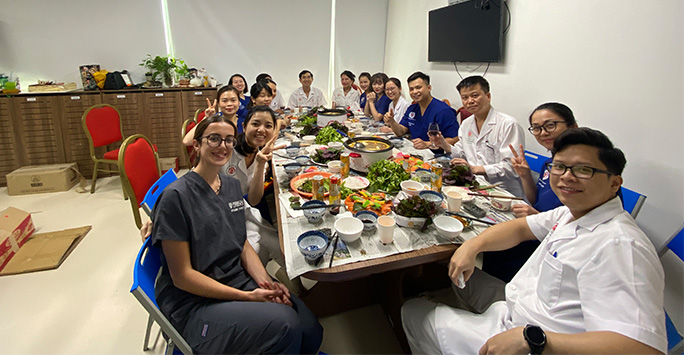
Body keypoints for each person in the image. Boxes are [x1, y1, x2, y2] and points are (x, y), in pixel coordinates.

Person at [402, 127, 666, 354]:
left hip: (536, 342)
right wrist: (473, 245)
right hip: (517, 307)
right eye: (560, 166)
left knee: (413, 311)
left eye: (584, 170)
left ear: (614, 183)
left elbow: (643, 348)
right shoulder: (571, 212)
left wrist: (534, 340)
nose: (567, 176)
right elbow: (518, 229)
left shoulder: (621, 245)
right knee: (456, 272)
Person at [151, 114, 323, 354]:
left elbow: (241, 243)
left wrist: (266, 284)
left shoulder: (230, 187)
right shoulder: (175, 197)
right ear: (197, 145)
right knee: (286, 326)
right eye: (214, 139)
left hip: (236, 278)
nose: (223, 146)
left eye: (229, 140)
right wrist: (247, 297)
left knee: (311, 331)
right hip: (196, 302)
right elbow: (182, 276)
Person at [483, 102, 578, 282]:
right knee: (487, 247)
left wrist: (537, 217)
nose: (543, 133)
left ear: (572, 127)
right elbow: (536, 200)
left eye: (550, 125)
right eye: (536, 128)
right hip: (535, 228)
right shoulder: (549, 165)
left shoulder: (579, 173)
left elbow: (575, 228)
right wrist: (525, 176)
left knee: (493, 255)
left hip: (552, 246)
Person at [433, 75, 525, 198]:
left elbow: (512, 167)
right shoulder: (466, 124)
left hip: (502, 191)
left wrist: (476, 169)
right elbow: (462, 153)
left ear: (488, 96)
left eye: (475, 95)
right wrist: (443, 144)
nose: (470, 101)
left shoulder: (508, 124)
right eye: (464, 98)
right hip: (473, 186)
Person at [384, 71, 459, 150]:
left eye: (418, 87)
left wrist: (428, 144)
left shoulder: (444, 111)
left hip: (436, 155)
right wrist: (391, 121)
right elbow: (400, 132)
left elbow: (455, 139)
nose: (415, 92)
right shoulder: (412, 109)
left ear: (429, 88)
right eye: (411, 89)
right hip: (416, 152)